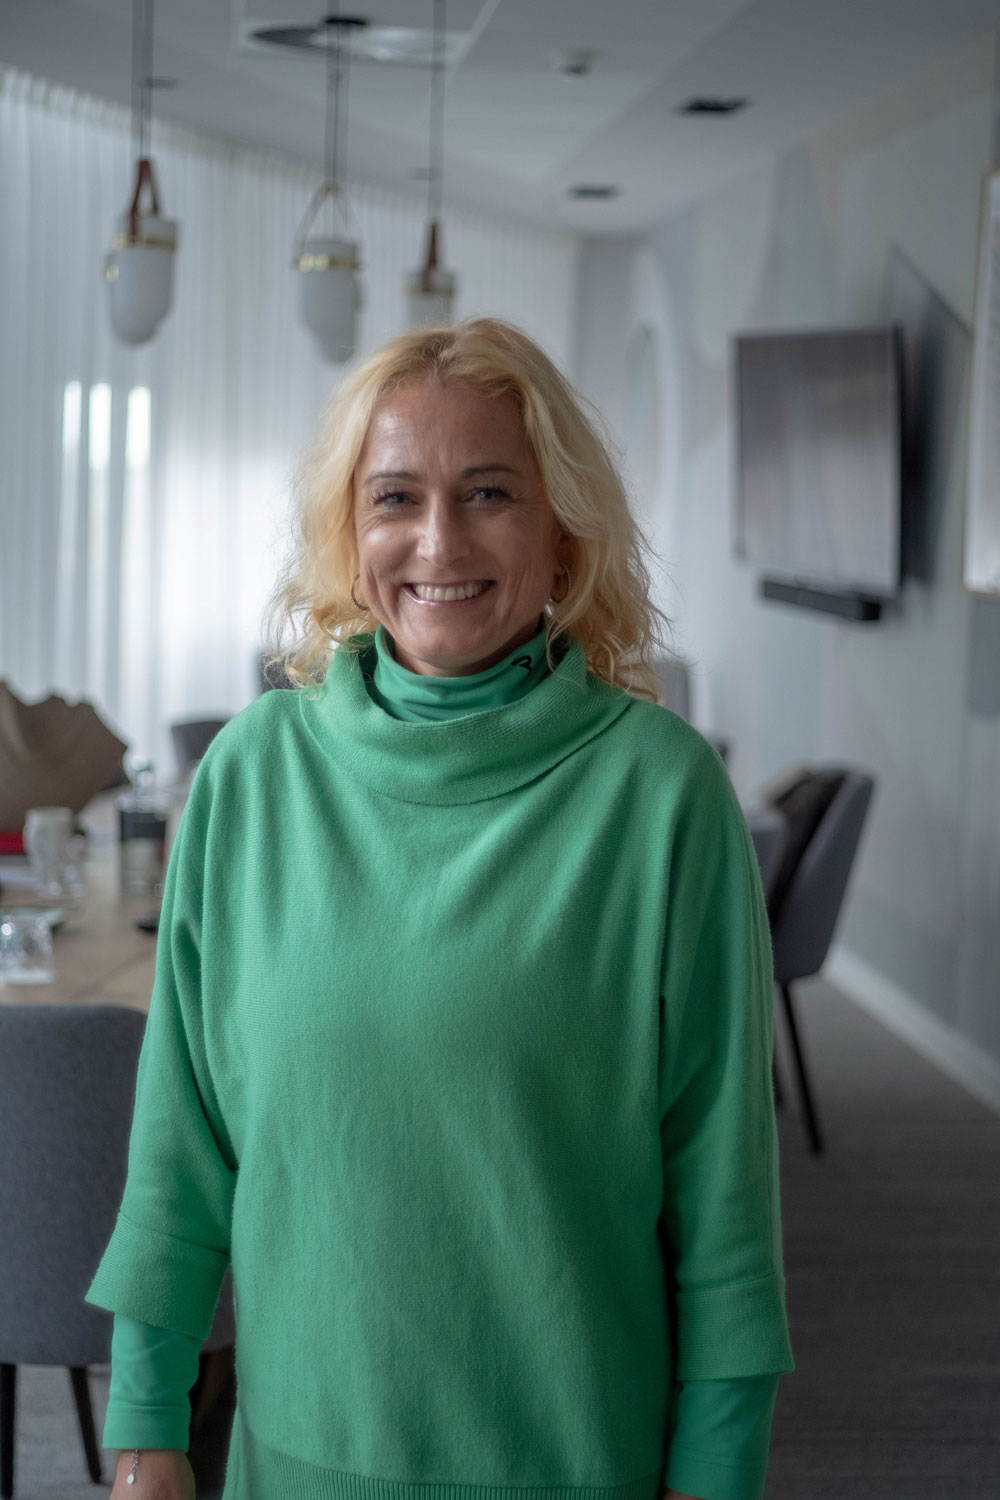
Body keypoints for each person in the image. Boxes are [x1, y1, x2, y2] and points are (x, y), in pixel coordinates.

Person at [86, 317, 794, 1500]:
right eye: (395, 497)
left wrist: (716, 1472)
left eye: (488, 493)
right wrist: (148, 1421)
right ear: (346, 529)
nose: (436, 541)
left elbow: (724, 1199)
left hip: (572, 1463)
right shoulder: (252, 780)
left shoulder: (662, 797)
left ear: (561, 530)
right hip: (297, 1462)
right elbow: (179, 1148)